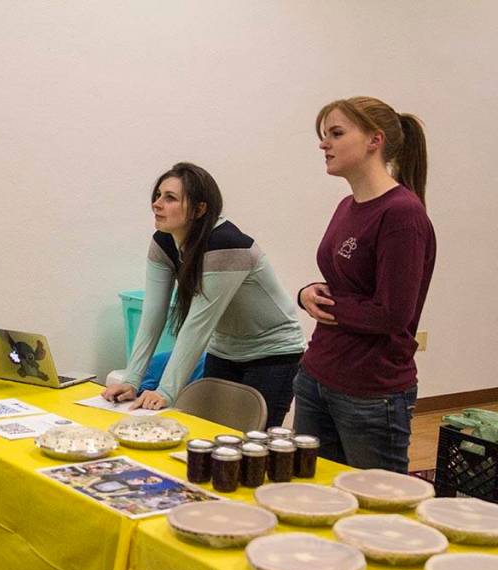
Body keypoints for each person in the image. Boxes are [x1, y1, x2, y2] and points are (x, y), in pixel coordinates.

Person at [103, 162, 306, 427]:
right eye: (158, 195)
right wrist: (132, 380)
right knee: (207, 437)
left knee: (251, 448)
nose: (157, 204)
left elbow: (198, 325)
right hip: (224, 351)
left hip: (273, 353)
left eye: (170, 198)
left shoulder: (226, 244)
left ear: (199, 209)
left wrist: (166, 392)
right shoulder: (163, 241)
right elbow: (153, 315)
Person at [293, 97, 435, 473]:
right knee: (311, 498)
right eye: (324, 136)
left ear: (375, 140)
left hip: (371, 391)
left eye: (336, 134)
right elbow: (345, 281)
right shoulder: (347, 205)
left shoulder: (402, 214)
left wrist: (332, 306)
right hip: (317, 375)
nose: (325, 144)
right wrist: (307, 293)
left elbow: (391, 313)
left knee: (377, 514)